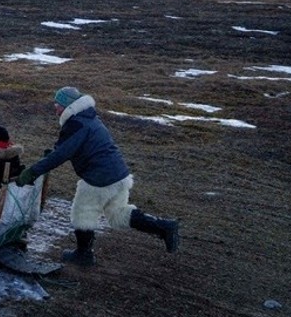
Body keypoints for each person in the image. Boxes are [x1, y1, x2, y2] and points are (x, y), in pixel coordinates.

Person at [16, 87, 180, 266]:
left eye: (59, 104)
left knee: (82, 213)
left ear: (69, 105)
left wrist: (32, 172)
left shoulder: (76, 123)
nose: (55, 107)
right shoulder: (89, 118)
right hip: (118, 174)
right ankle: (164, 227)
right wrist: (52, 154)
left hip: (99, 177)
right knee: (118, 214)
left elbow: (61, 154)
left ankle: (83, 254)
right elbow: (67, 148)